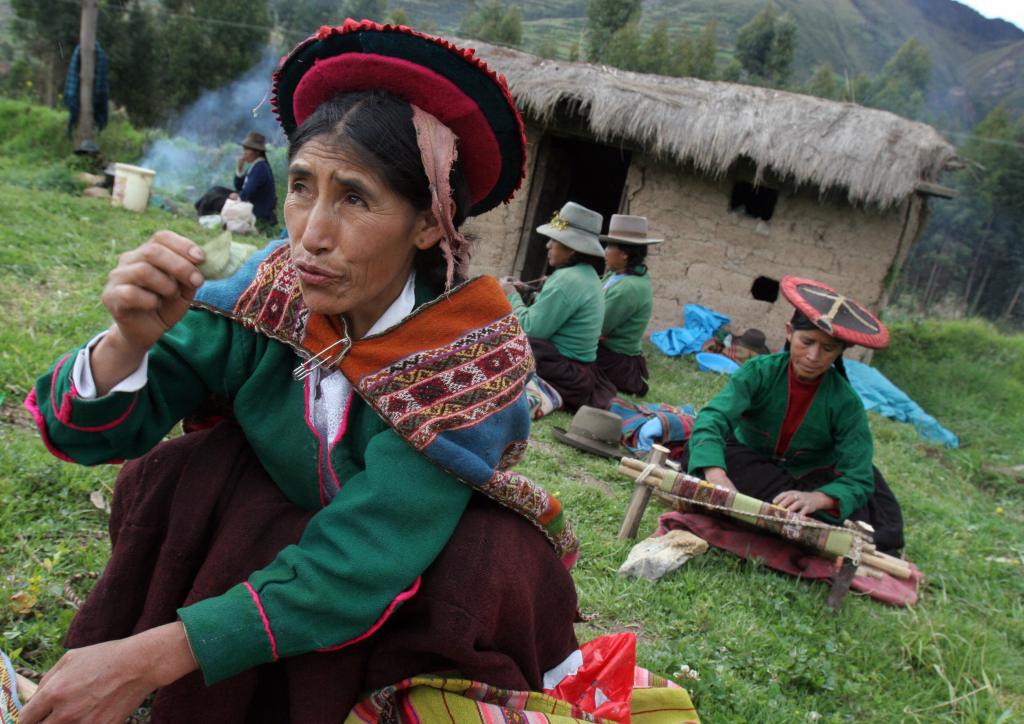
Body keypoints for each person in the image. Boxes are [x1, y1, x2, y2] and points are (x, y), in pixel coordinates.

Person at [21, 21, 580, 722]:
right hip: (305, 523)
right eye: (301, 187)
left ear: (429, 226)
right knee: (187, 474)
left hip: (409, 566)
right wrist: (127, 344)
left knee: (479, 562)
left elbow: (363, 557)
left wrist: (148, 656)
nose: (311, 233)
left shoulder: (470, 359)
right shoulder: (268, 293)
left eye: (354, 198)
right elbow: (89, 435)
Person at [682, 275, 905, 554]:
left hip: (806, 479)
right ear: (789, 332)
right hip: (752, 463)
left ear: (840, 351)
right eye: (807, 341)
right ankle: (781, 513)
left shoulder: (846, 402)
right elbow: (713, 419)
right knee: (698, 454)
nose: (814, 356)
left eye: (828, 348)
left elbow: (858, 476)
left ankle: (774, 509)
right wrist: (717, 476)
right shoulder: (759, 371)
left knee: (866, 516)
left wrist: (817, 499)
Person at [501, 202, 615, 412]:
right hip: (579, 376)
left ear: (571, 249)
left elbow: (530, 328)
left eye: (554, 240)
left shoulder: (567, 279)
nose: (548, 245)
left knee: (504, 339)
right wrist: (527, 291)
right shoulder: (586, 274)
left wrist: (511, 295)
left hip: (563, 372)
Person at [596, 214, 662, 396]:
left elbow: (596, 327)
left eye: (610, 246)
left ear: (625, 254)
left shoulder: (628, 288)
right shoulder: (618, 276)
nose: (605, 251)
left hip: (614, 359)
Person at [232, 131, 278, 235]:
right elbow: (239, 186)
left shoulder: (260, 168)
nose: (244, 152)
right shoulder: (256, 166)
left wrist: (237, 196)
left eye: (247, 149)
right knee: (218, 191)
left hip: (258, 211)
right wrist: (240, 168)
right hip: (252, 205)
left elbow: (247, 194)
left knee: (218, 197)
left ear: (257, 152)